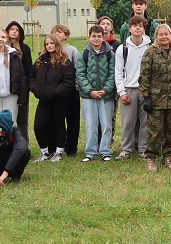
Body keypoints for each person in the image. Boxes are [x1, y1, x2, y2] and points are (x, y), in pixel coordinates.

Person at [140, 24, 171, 171]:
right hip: (156, 98)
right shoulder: (150, 52)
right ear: (156, 37)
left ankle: (169, 157)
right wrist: (146, 97)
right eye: (161, 34)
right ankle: (152, 158)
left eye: (166, 34)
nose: (164, 37)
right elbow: (144, 76)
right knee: (155, 130)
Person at [31, 34, 77, 162]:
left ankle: (58, 152)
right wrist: (36, 89)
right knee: (38, 126)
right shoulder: (40, 60)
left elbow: (68, 81)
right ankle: (44, 153)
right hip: (44, 99)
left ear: (57, 44)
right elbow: (32, 77)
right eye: (47, 44)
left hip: (59, 99)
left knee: (59, 125)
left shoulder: (65, 61)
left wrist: (56, 92)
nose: (49, 46)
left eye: (52, 43)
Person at [77, 26, 118, 162]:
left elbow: (113, 73)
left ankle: (105, 150)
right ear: (89, 37)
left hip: (106, 95)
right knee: (90, 124)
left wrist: (106, 89)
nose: (96, 39)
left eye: (99, 36)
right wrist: (90, 91)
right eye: (93, 36)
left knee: (106, 124)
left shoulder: (109, 53)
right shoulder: (84, 54)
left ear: (103, 37)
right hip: (89, 95)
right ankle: (90, 152)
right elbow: (80, 74)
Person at [114, 16, 152, 159]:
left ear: (144, 29)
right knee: (128, 122)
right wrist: (122, 92)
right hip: (129, 88)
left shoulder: (151, 47)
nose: (137, 28)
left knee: (146, 121)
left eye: (140, 26)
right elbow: (118, 72)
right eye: (134, 25)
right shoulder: (122, 49)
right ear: (129, 29)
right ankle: (126, 149)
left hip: (146, 88)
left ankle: (143, 149)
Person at [51, 23, 81, 158]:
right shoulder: (50, 51)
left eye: (60, 32)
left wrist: (76, 87)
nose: (57, 34)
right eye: (55, 32)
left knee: (73, 119)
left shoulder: (73, 51)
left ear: (66, 35)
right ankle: (57, 146)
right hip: (56, 92)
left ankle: (71, 147)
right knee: (57, 120)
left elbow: (78, 70)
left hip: (71, 91)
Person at [4, 21, 35, 135]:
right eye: (12, 29)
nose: (14, 32)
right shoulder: (1, 46)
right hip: (4, 87)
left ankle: (23, 148)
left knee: (22, 119)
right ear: (7, 31)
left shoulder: (24, 48)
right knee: (6, 118)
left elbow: (29, 70)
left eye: (17, 30)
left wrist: (26, 89)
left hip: (21, 87)